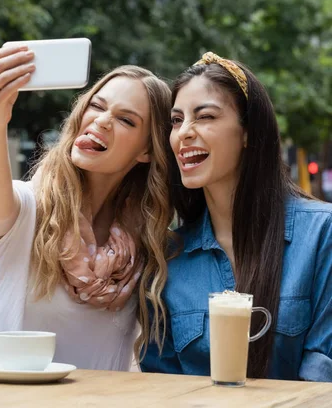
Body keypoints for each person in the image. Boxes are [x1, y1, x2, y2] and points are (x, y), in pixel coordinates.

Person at [0, 44, 173, 371]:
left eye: (125, 119)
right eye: (97, 105)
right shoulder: (28, 210)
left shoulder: (145, 248)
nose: (102, 120)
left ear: (147, 152)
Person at [141, 51, 332, 382]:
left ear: (247, 133)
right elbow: (162, 383)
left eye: (205, 116)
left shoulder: (321, 233)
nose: (183, 133)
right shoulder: (167, 257)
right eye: (176, 120)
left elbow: (323, 367)